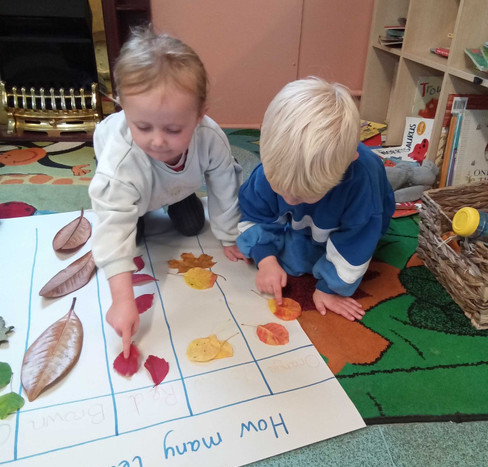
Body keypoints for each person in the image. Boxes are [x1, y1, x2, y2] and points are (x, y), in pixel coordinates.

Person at [89, 25, 247, 358]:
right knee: (134, 235)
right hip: (135, 192)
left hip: (178, 186)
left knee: (193, 225)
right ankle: (146, 211)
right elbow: (112, 224)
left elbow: (223, 185)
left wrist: (229, 234)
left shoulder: (210, 137)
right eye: (142, 126)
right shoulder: (119, 162)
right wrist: (122, 299)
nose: (158, 140)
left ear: (200, 116)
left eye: (173, 129)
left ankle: (175, 198)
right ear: (124, 110)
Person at [237, 77, 395, 321]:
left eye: (302, 194)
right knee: (285, 259)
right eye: (279, 188)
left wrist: (329, 289)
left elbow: (357, 242)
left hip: (361, 221)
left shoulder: (360, 182)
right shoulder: (273, 167)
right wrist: (265, 259)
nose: (288, 199)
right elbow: (254, 212)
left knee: (306, 262)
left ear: (347, 164)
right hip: (311, 224)